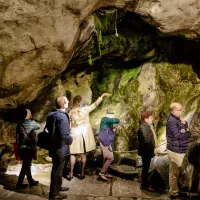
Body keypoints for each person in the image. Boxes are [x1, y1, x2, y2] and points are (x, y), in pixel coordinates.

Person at [69, 93, 111, 180]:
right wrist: (102, 96)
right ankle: (82, 172)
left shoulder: (70, 112)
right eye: (82, 102)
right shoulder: (85, 110)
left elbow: (69, 124)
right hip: (83, 136)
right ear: (79, 103)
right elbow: (95, 105)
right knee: (83, 155)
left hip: (74, 135)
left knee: (72, 154)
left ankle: (71, 173)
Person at [47, 96, 73, 200]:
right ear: (63, 105)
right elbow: (64, 135)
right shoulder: (62, 116)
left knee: (58, 169)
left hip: (53, 146)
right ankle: (54, 194)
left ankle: (58, 187)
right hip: (61, 147)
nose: (68, 103)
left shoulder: (51, 114)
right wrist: (70, 139)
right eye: (67, 102)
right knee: (57, 170)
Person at [166, 103, 191, 199]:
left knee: (178, 172)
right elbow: (178, 135)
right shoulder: (172, 121)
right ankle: (173, 193)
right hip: (175, 150)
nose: (182, 111)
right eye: (180, 109)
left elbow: (184, 129)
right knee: (174, 173)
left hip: (180, 149)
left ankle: (177, 189)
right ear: (174, 111)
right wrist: (188, 133)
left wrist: (185, 125)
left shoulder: (177, 119)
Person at [16, 109, 40, 189]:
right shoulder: (32, 122)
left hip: (21, 148)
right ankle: (19, 184)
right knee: (25, 166)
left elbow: (17, 134)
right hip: (28, 148)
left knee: (27, 165)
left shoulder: (19, 124)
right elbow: (39, 126)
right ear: (29, 115)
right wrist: (33, 119)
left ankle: (31, 181)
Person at [138, 111, 158, 192]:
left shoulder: (148, 126)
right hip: (146, 152)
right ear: (146, 119)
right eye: (151, 117)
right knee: (145, 168)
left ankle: (144, 183)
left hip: (146, 151)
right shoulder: (143, 127)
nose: (152, 119)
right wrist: (152, 149)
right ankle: (145, 185)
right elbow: (146, 141)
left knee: (146, 167)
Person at [98, 109, 120, 181]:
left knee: (106, 158)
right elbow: (116, 120)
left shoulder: (108, 122)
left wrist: (114, 129)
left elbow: (110, 132)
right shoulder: (104, 119)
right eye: (112, 115)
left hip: (107, 141)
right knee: (110, 158)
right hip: (105, 141)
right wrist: (118, 120)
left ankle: (105, 171)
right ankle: (102, 173)